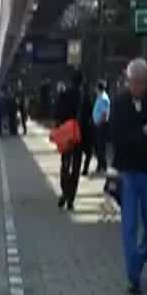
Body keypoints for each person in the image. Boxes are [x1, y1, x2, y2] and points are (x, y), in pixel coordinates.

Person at [111, 58, 147, 295]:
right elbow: (115, 135)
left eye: (142, 82)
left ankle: (141, 256)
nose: (138, 86)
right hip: (128, 174)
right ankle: (133, 277)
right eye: (134, 82)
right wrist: (142, 134)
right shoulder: (119, 103)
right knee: (130, 225)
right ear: (128, 80)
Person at [55, 71, 84, 210]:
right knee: (76, 168)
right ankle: (71, 198)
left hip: (67, 135)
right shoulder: (86, 97)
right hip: (79, 137)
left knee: (65, 165)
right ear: (82, 82)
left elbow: (57, 115)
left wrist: (60, 129)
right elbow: (90, 121)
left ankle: (65, 193)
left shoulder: (64, 95)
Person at [91, 81, 111, 173]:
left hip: (101, 125)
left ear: (98, 88)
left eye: (95, 87)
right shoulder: (99, 97)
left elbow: (104, 113)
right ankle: (101, 164)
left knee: (101, 146)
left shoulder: (103, 98)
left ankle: (103, 165)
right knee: (98, 146)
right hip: (98, 124)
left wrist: (99, 122)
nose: (94, 89)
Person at [80, 81, 96, 176]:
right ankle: (85, 169)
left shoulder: (81, 99)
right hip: (87, 128)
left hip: (80, 127)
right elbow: (92, 113)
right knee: (88, 152)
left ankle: (77, 168)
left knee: (79, 150)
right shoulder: (89, 100)